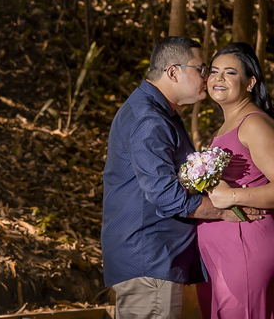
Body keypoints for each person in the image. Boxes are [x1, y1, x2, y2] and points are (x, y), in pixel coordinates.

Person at [102, 36, 253, 319]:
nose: (207, 77)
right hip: (150, 258)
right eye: (201, 68)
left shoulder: (156, 111)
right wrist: (224, 211)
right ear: (173, 72)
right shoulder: (148, 118)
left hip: (151, 258)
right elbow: (166, 195)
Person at [198, 42, 274, 319]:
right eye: (214, 71)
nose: (218, 78)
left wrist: (231, 197)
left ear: (250, 82)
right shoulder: (225, 127)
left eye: (229, 72)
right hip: (222, 253)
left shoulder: (254, 124)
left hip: (246, 247)